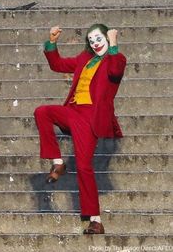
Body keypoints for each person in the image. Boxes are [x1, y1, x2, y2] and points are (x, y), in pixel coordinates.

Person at [34, 23, 127, 234]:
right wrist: (52, 42)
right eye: (91, 40)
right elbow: (57, 64)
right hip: (73, 111)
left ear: (106, 38)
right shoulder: (85, 59)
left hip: (90, 118)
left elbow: (114, 72)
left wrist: (113, 43)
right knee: (42, 112)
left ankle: (95, 220)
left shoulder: (117, 59)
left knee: (84, 167)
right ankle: (58, 163)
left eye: (99, 39)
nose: (95, 43)